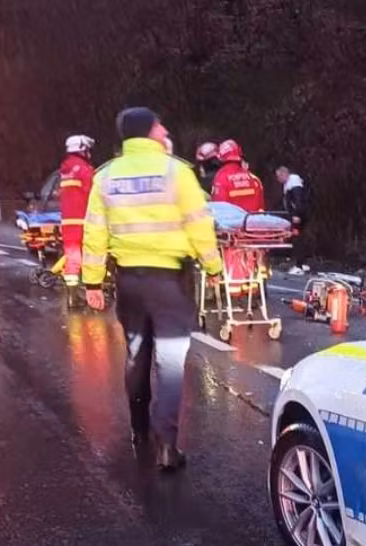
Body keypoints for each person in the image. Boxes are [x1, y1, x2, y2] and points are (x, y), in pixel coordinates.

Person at [82, 107, 223, 471]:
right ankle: (166, 445)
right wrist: (215, 267)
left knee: (136, 355)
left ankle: (138, 427)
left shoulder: (105, 178)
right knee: (171, 363)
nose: (165, 130)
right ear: (148, 131)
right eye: (161, 125)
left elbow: (94, 232)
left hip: (129, 281)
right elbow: (198, 226)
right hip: (170, 283)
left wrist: (92, 281)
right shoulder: (178, 173)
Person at [58, 135, 96, 290]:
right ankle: (92, 288)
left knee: (72, 256)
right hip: (85, 218)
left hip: (68, 220)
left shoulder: (65, 169)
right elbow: (94, 193)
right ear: (82, 149)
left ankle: (72, 292)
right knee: (93, 254)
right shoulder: (83, 169)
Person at [211, 139, 264, 212]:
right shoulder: (255, 180)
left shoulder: (221, 178)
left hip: (231, 223)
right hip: (253, 222)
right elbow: (260, 209)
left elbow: (219, 208)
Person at [276, 166, 309, 275]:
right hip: (298, 215)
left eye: (279, 176)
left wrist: (296, 215)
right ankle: (301, 262)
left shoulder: (293, 184)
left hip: (298, 216)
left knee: (297, 239)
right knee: (299, 238)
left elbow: (298, 201)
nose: (278, 179)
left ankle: (299, 265)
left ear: (284, 174)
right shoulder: (290, 184)